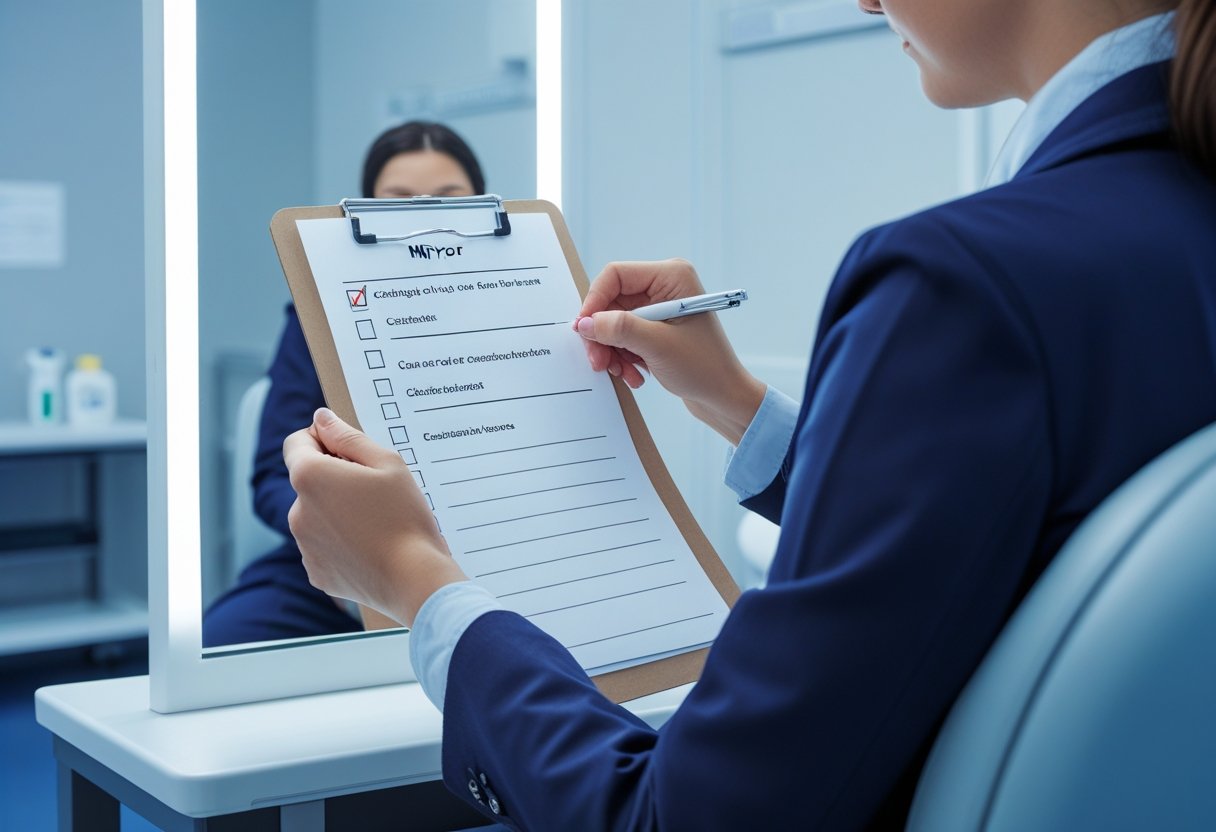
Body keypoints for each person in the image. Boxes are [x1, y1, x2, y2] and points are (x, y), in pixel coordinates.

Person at [282, 0, 1216, 828]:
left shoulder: (962, 286)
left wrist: (417, 580)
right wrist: (735, 406)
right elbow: (1007, 545)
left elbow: (666, 817)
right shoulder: (1162, 233)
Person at [203, 122, 486, 647]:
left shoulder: (520, 313)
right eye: (397, 202)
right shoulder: (316, 320)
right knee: (221, 646)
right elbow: (270, 473)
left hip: (496, 553)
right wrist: (345, 536)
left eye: (448, 200)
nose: (422, 219)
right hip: (341, 567)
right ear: (362, 213)